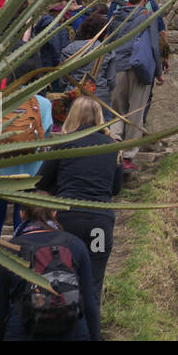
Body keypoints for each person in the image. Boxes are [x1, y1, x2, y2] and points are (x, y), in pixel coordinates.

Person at [36, 97, 122, 306]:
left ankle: (63, 323)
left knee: (64, 275)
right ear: (100, 117)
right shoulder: (112, 147)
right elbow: (115, 188)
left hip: (69, 218)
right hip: (99, 221)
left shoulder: (63, 144)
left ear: (73, 116)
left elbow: (42, 181)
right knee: (93, 277)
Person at [0, 204, 101, 341]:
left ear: (21, 214)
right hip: (74, 331)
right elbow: (89, 304)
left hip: (22, 332)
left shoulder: (8, 251)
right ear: (54, 212)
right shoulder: (75, 244)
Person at [0, 92, 54, 284]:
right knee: (23, 219)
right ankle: (21, 268)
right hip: (29, 171)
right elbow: (45, 134)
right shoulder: (43, 103)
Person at [106, 0, 161, 172]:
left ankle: (114, 148)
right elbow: (154, 46)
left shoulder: (115, 17)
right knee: (135, 112)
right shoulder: (147, 17)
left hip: (118, 66)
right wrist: (159, 72)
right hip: (140, 68)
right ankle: (128, 156)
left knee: (117, 110)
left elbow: (109, 42)